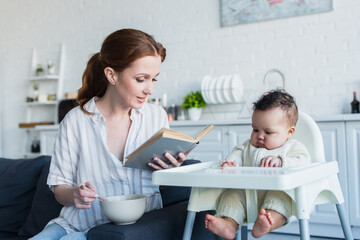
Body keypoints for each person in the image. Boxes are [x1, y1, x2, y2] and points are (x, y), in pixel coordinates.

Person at [30, 29, 187, 240]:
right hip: (76, 223)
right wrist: (75, 194)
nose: (150, 89)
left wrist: (170, 172)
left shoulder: (155, 117)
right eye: (141, 79)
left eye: (154, 79)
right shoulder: (76, 120)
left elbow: (160, 184)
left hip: (132, 229)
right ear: (111, 75)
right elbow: (60, 190)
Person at [205, 89, 311, 239]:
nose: (260, 136)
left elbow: (304, 160)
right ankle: (229, 224)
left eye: (268, 132)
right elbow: (238, 153)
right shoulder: (248, 146)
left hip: (276, 192)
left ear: (289, 132)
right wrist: (231, 163)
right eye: (255, 129)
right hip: (247, 196)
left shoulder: (291, 148)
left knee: (281, 198)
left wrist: (282, 161)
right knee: (230, 196)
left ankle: (268, 222)